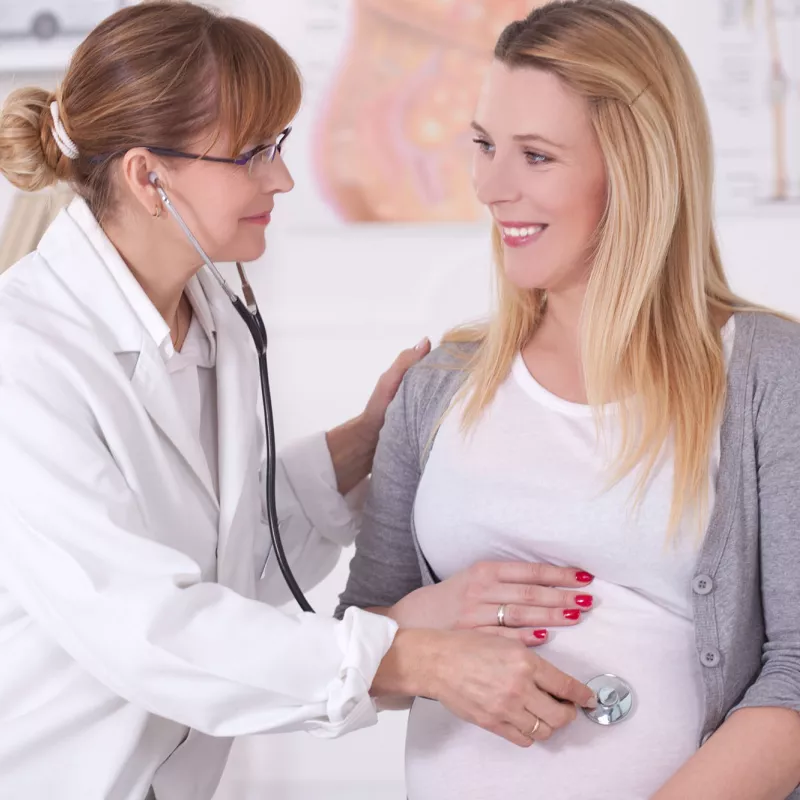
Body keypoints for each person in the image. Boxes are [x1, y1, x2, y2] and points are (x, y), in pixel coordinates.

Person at [0, 3, 597, 799]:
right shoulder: (25, 356)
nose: (280, 177)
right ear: (149, 177)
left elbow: (227, 551)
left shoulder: (216, 323)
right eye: (251, 154)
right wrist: (412, 656)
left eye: (278, 147)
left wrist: (368, 438)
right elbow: (145, 627)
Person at [337, 1, 800, 798]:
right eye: (484, 146)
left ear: (634, 166)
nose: (488, 186)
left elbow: (797, 671)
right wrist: (436, 620)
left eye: (536, 156)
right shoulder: (446, 378)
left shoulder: (762, 372)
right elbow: (349, 658)